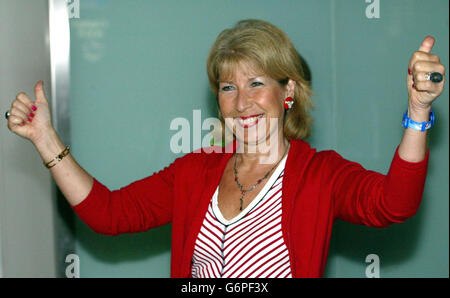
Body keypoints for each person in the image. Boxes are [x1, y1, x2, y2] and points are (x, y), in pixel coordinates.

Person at [5, 19, 445, 278]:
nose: (241, 102)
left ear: (287, 90)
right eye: (228, 86)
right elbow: (110, 213)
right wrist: (46, 138)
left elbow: (394, 204)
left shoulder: (320, 174)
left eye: (257, 83)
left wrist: (417, 110)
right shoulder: (195, 173)